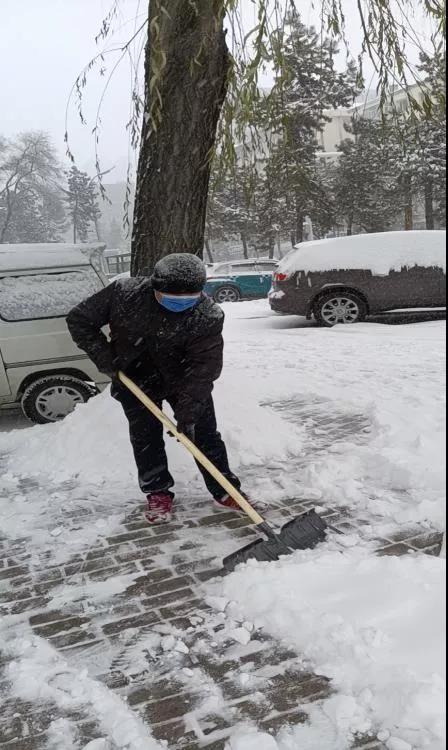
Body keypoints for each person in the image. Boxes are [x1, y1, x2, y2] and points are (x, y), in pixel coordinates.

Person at [67, 253, 250, 524]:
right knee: (146, 438)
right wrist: (105, 358)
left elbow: (204, 368)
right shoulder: (123, 293)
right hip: (134, 378)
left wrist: (188, 415)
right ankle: (157, 491)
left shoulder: (207, 315)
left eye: (190, 296)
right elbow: (79, 320)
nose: (182, 301)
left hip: (184, 379)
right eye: (174, 296)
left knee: (204, 435)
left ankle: (225, 490)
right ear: (155, 287)